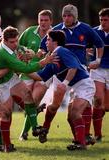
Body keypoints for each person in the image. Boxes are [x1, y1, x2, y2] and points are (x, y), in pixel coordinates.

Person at [40, 4, 104, 145]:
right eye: (64, 15)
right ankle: (45, 127)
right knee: (55, 104)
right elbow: (43, 48)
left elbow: (99, 44)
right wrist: (37, 59)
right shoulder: (56, 30)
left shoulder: (85, 28)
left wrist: (98, 60)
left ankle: (85, 135)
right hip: (61, 71)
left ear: (75, 17)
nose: (66, 18)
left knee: (80, 107)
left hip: (78, 70)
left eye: (69, 15)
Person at [0, 26, 57, 152]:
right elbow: (25, 69)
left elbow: (23, 51)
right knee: (4, 115)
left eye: (16, 40)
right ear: (4, 41)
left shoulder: (14, 46)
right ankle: (2, 144)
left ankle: (35, 127)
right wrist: (43, 62)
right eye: (12, 42)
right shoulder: (3, 53)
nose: (15, 44)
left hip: (10, 77)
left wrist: (29, 53)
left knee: (27, 94)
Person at [29, 30, 96, 150]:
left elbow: (73, 67)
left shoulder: (60, 50)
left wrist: (64, 84)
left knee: (75, 113)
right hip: (76, 87)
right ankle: (79, 140)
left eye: (48, 39)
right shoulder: (52, 58)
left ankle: (81, 143)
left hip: (85, 84)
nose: (46, 42)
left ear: (55, 42)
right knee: (70, 117)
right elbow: (39, 77)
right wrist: (21, 68)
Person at [18, 9, 53, 141]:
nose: (43, 23)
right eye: (41, 20)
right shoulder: (29, 32)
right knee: (28, 102)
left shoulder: (54, 34)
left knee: (35, 99)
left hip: (45, 72)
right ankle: (34, 114)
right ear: (38, 20)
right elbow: (18, 46)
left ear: (51, 21)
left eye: (46, 20)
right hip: (27, 71)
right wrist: (24, 53)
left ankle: (24, 132)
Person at [90, 8, 109, 142]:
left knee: (106, 107)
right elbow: (84, 47)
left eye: (106, 20)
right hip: (98, 70)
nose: (103, 22)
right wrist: (87, 51)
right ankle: (97, 135)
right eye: (101, 20)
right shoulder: (94, 32)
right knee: (98, 102)